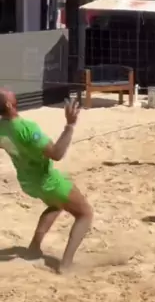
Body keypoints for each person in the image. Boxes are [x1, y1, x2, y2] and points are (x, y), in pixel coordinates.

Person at [0, 91, 93, 272]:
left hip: (27, 182)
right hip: (47, 181)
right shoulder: (26, 128)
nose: (11, 91)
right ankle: (65, 265)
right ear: (9, 105)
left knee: (56, 205)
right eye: (8, 93)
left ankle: (34, 249)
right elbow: (57, 154)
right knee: (85, 213)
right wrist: (70, 125)